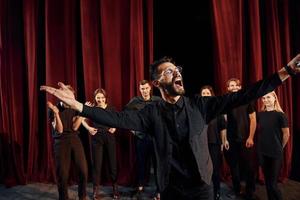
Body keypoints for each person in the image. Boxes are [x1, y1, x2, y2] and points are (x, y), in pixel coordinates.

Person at [41, 54, 300, 200]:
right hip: (171, 189)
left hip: (202, 188)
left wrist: (285, 72)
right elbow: (117, 119)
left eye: (177, 70)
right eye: (168, 72)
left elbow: (244, 95)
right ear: (155, 83)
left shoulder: (200, 105)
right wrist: (77, 105)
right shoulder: (150, 113)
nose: (176, 73)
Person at [47, 85, 88, 200]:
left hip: (74, 138)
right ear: (61, 96)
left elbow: (75, 127)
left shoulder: (74, 107)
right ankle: (63, 197)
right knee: (63, 174)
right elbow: (59, 130)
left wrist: (81, 114)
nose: (68, 99)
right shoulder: (53, 109)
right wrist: (56, 114)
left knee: (83, 170)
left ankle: (82, 196)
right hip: (60, 141)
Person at [124, 80, 161, 198]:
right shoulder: (135, 102)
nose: (144, 91)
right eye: (142, 89)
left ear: (150, 88)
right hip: (141, 138)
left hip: (156, 139)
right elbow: (125, 116)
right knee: (141, 163)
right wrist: (133, 130)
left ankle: (159, 190)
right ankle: (140, 187)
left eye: (146, 88)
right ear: (140, 90)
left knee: (157, 164)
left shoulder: (157, 100)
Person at [81, 88, 119, 199]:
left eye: (102, 97)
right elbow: (82, 119)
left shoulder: (111, 108)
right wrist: (88, 128)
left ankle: (115, 188)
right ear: (95, 98)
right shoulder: (92, 108)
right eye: (98, 97)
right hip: (97, 137)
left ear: (105, 98)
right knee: (97, 164)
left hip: (109, 136)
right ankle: (95, 189)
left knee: (112, 164)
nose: (100, 99)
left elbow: (118, 120)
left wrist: (114, 128)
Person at [223, 78, 257, 200]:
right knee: (234, 166)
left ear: (239, 87)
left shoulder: (247, 99)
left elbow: (253, 119)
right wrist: (225, 139)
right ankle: (237, 190)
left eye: (235, 86)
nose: (233, 88)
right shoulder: (226, 102)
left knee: (249, 166)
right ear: (228, 88)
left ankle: (250, 190)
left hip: (245, 139)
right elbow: (224, 121)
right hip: (231, 140)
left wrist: (251, 137)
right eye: (230, 86)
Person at [257, 91, 290, 200]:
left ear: (275, 98)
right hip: (263, 151)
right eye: (264, 98)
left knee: (273, 184)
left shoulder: (280, 115)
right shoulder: (261, 114)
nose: (265, 100)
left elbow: (286, 134)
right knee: (267, 182)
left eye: (268, 97)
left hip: (275, 152)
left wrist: (280, 147)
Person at [200, 85, 228, 200]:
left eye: (207, 93)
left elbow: (223, 127)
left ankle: (216, 192)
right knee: (202, 170)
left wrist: (224, 141)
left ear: (211, 95)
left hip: (214, 144)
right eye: (203, 94)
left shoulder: (218, 109)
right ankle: (204, 193)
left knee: (215, 170)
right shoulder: (198, 110)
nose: (206, 95)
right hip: (201, 145)